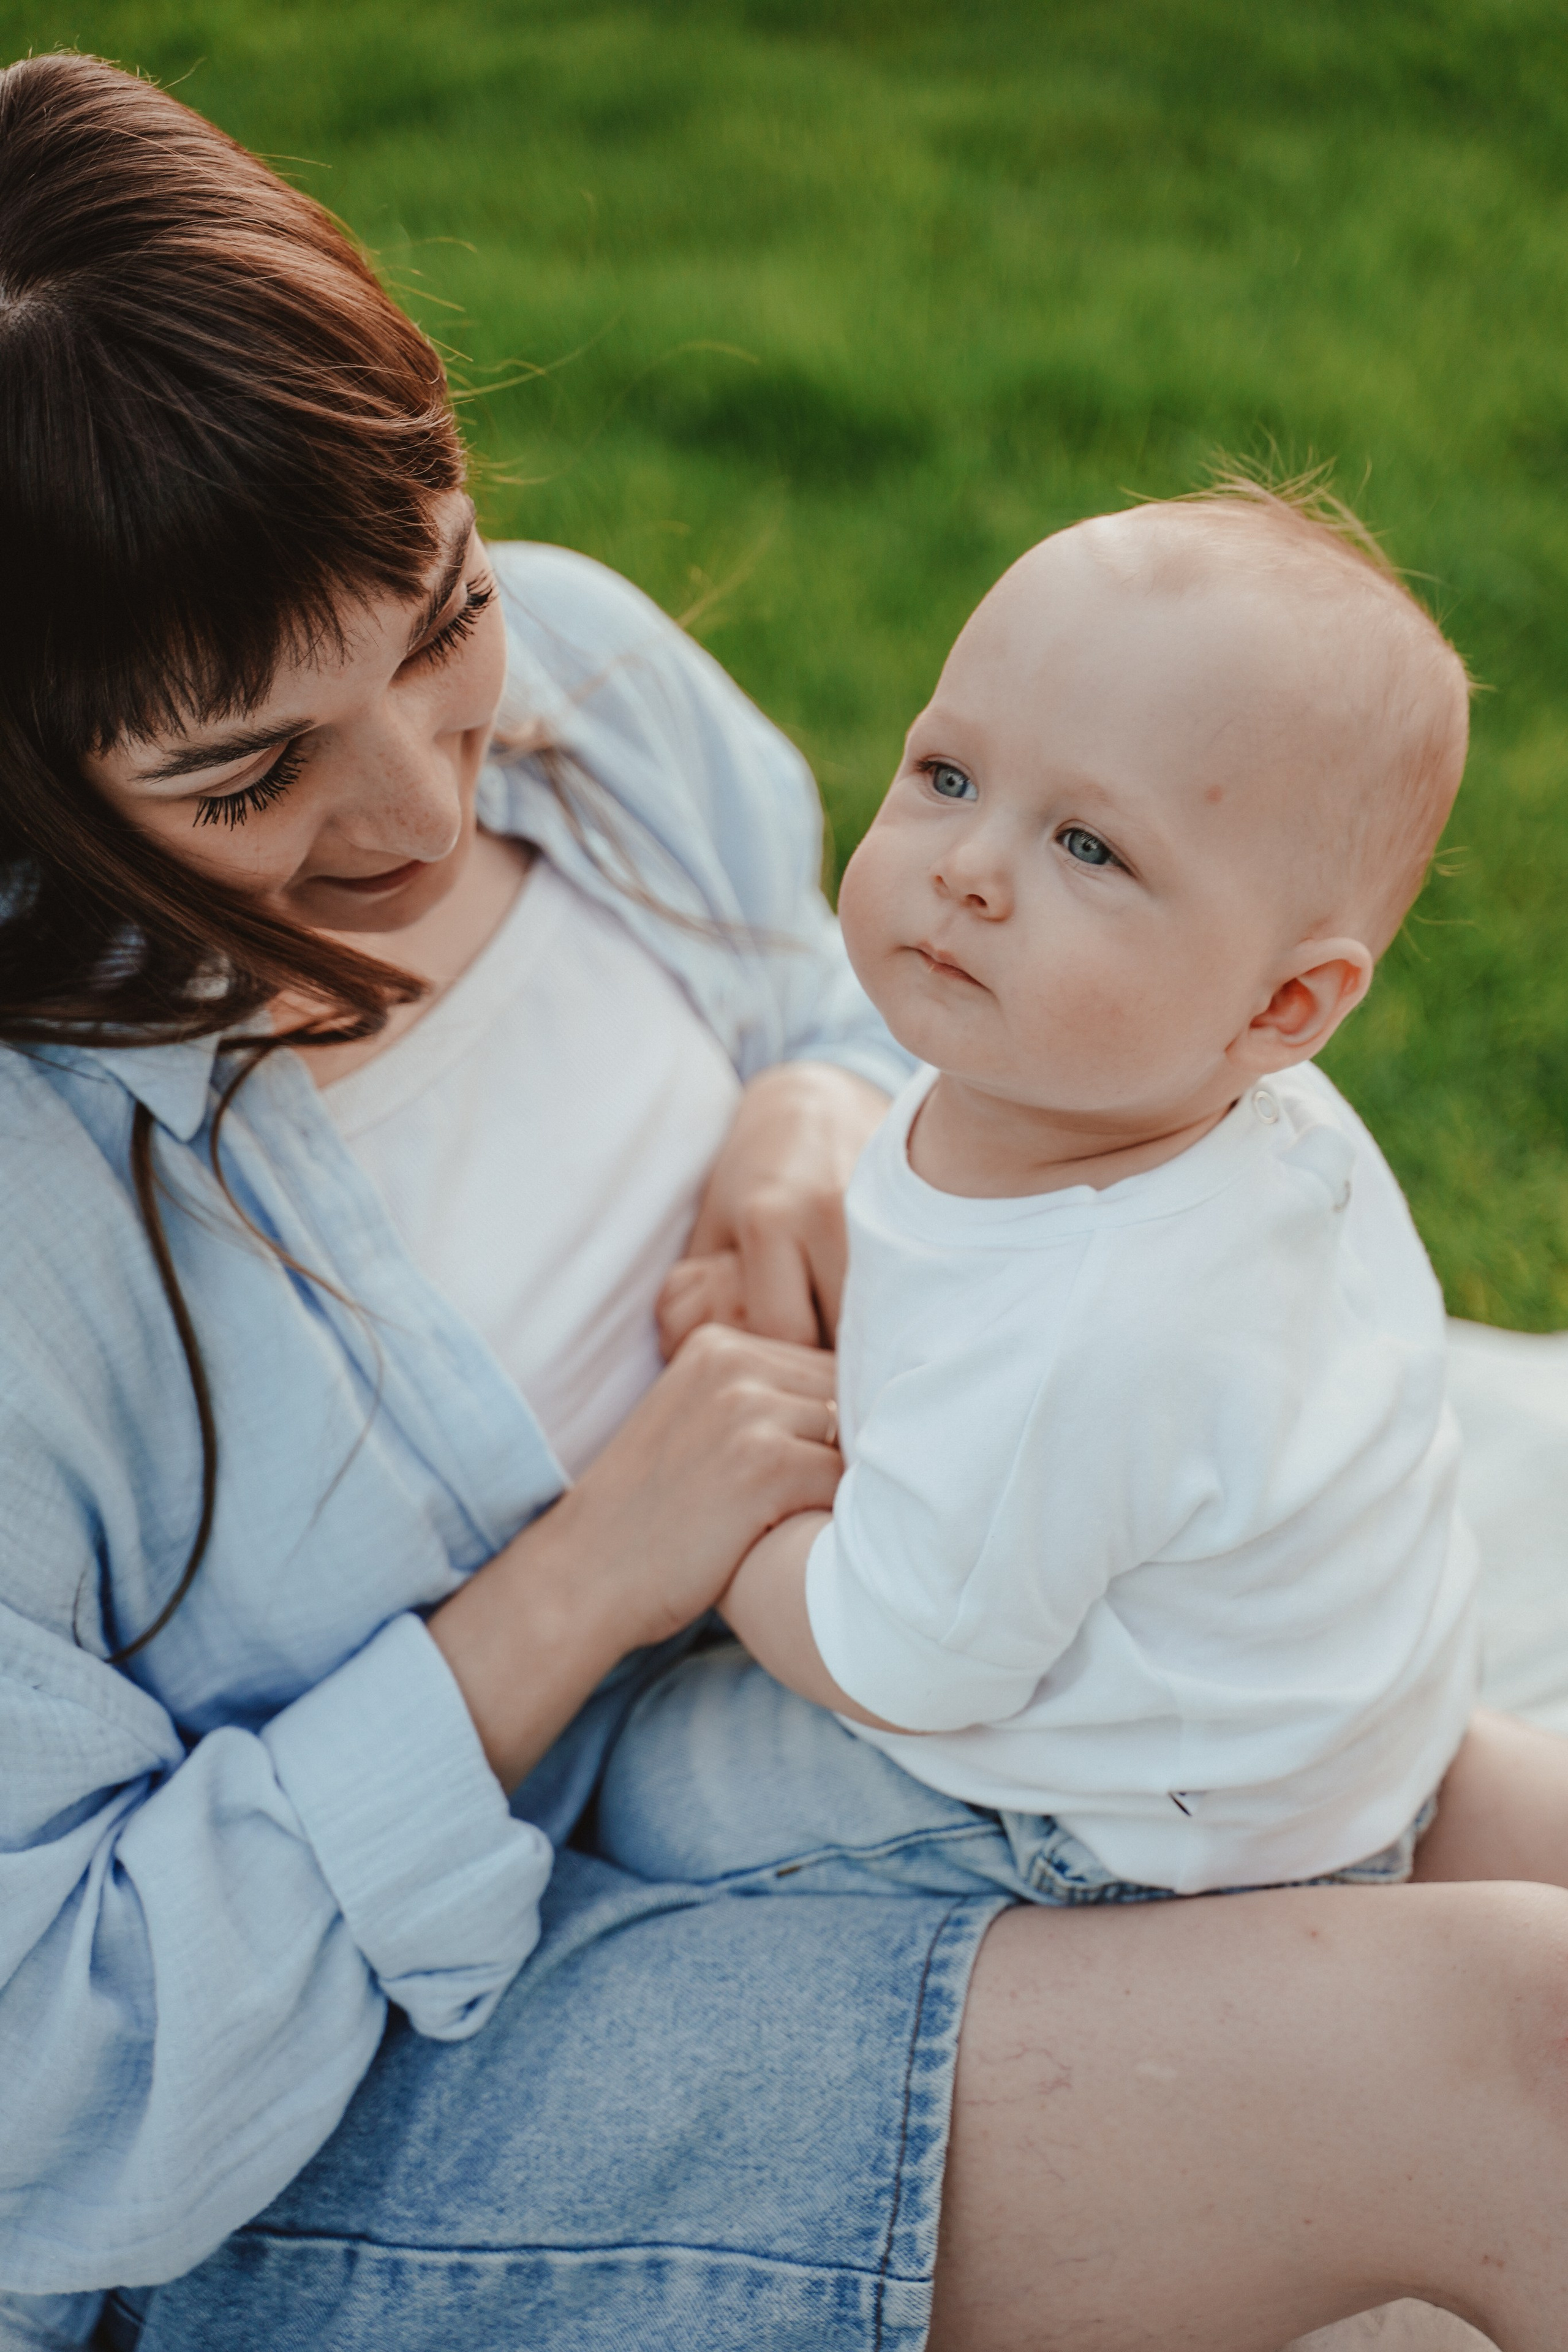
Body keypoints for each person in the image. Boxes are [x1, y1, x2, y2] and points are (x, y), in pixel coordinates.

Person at [5, 50, 1568, 2352]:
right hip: (393, 2071)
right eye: (245, 775)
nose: (426, 808)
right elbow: (50, 2077)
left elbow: (840, 1005)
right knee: (1510, 2059)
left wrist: (820, 1113)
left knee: (1488, 1802)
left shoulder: (596, 691)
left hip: (847, 1722)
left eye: (437, 619)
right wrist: (577, 1589)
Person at [607, 490, 1477, 1911]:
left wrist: (725, 1537)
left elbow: (900, 1666)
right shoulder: (1192, 1112)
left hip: (1156, 1823)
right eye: (947, 775)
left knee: (653, 1790)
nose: (966, 868)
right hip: (1319, 1714)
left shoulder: (1095, 1325)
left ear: (1282, 1001)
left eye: (1089, 848)